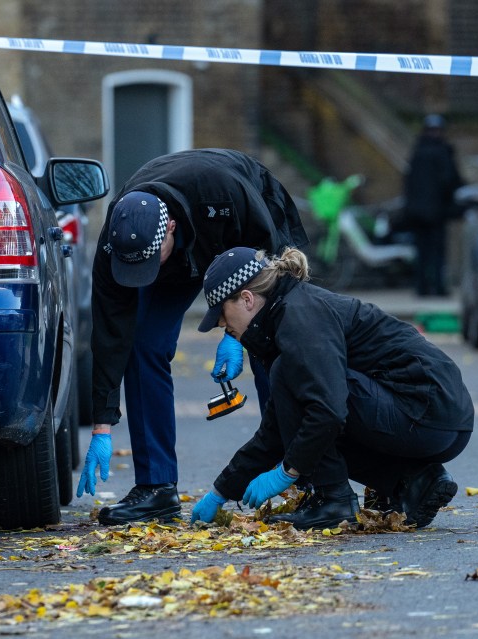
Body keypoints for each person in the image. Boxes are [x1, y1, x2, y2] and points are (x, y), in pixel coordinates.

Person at [77, 148, 310, 525]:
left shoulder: (223, 192)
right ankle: (156, 488)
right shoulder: (119, 238)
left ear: (168, 228)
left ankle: (301, 474)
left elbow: (264, 262)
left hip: (245, 233)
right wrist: (102, 424)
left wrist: (236, 333)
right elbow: (110, 333)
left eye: (153, 262)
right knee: (143, 345)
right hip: (183, 254)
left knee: (271, 342)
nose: (145, 275)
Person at [189, 246, 474, 530]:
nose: (224, 326)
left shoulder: (299, 319)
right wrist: (222, 491)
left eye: (223, 317)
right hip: (441, 417)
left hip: (427, 413)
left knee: (312, 402)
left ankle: (333, 501)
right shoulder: (292, 310)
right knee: (307, 409)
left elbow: (329, 410)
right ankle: (414, 482)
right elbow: (277, 430)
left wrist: (287, 472)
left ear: (247, 299)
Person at [402, 113, 464, 297]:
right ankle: (437, 288)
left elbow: (408, 182)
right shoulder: (443, 152)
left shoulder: (417, 151)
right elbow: (449, 180)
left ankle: (421, 287)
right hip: (436, 212)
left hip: (417, 212)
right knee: (437, 253)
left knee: (422, 251)